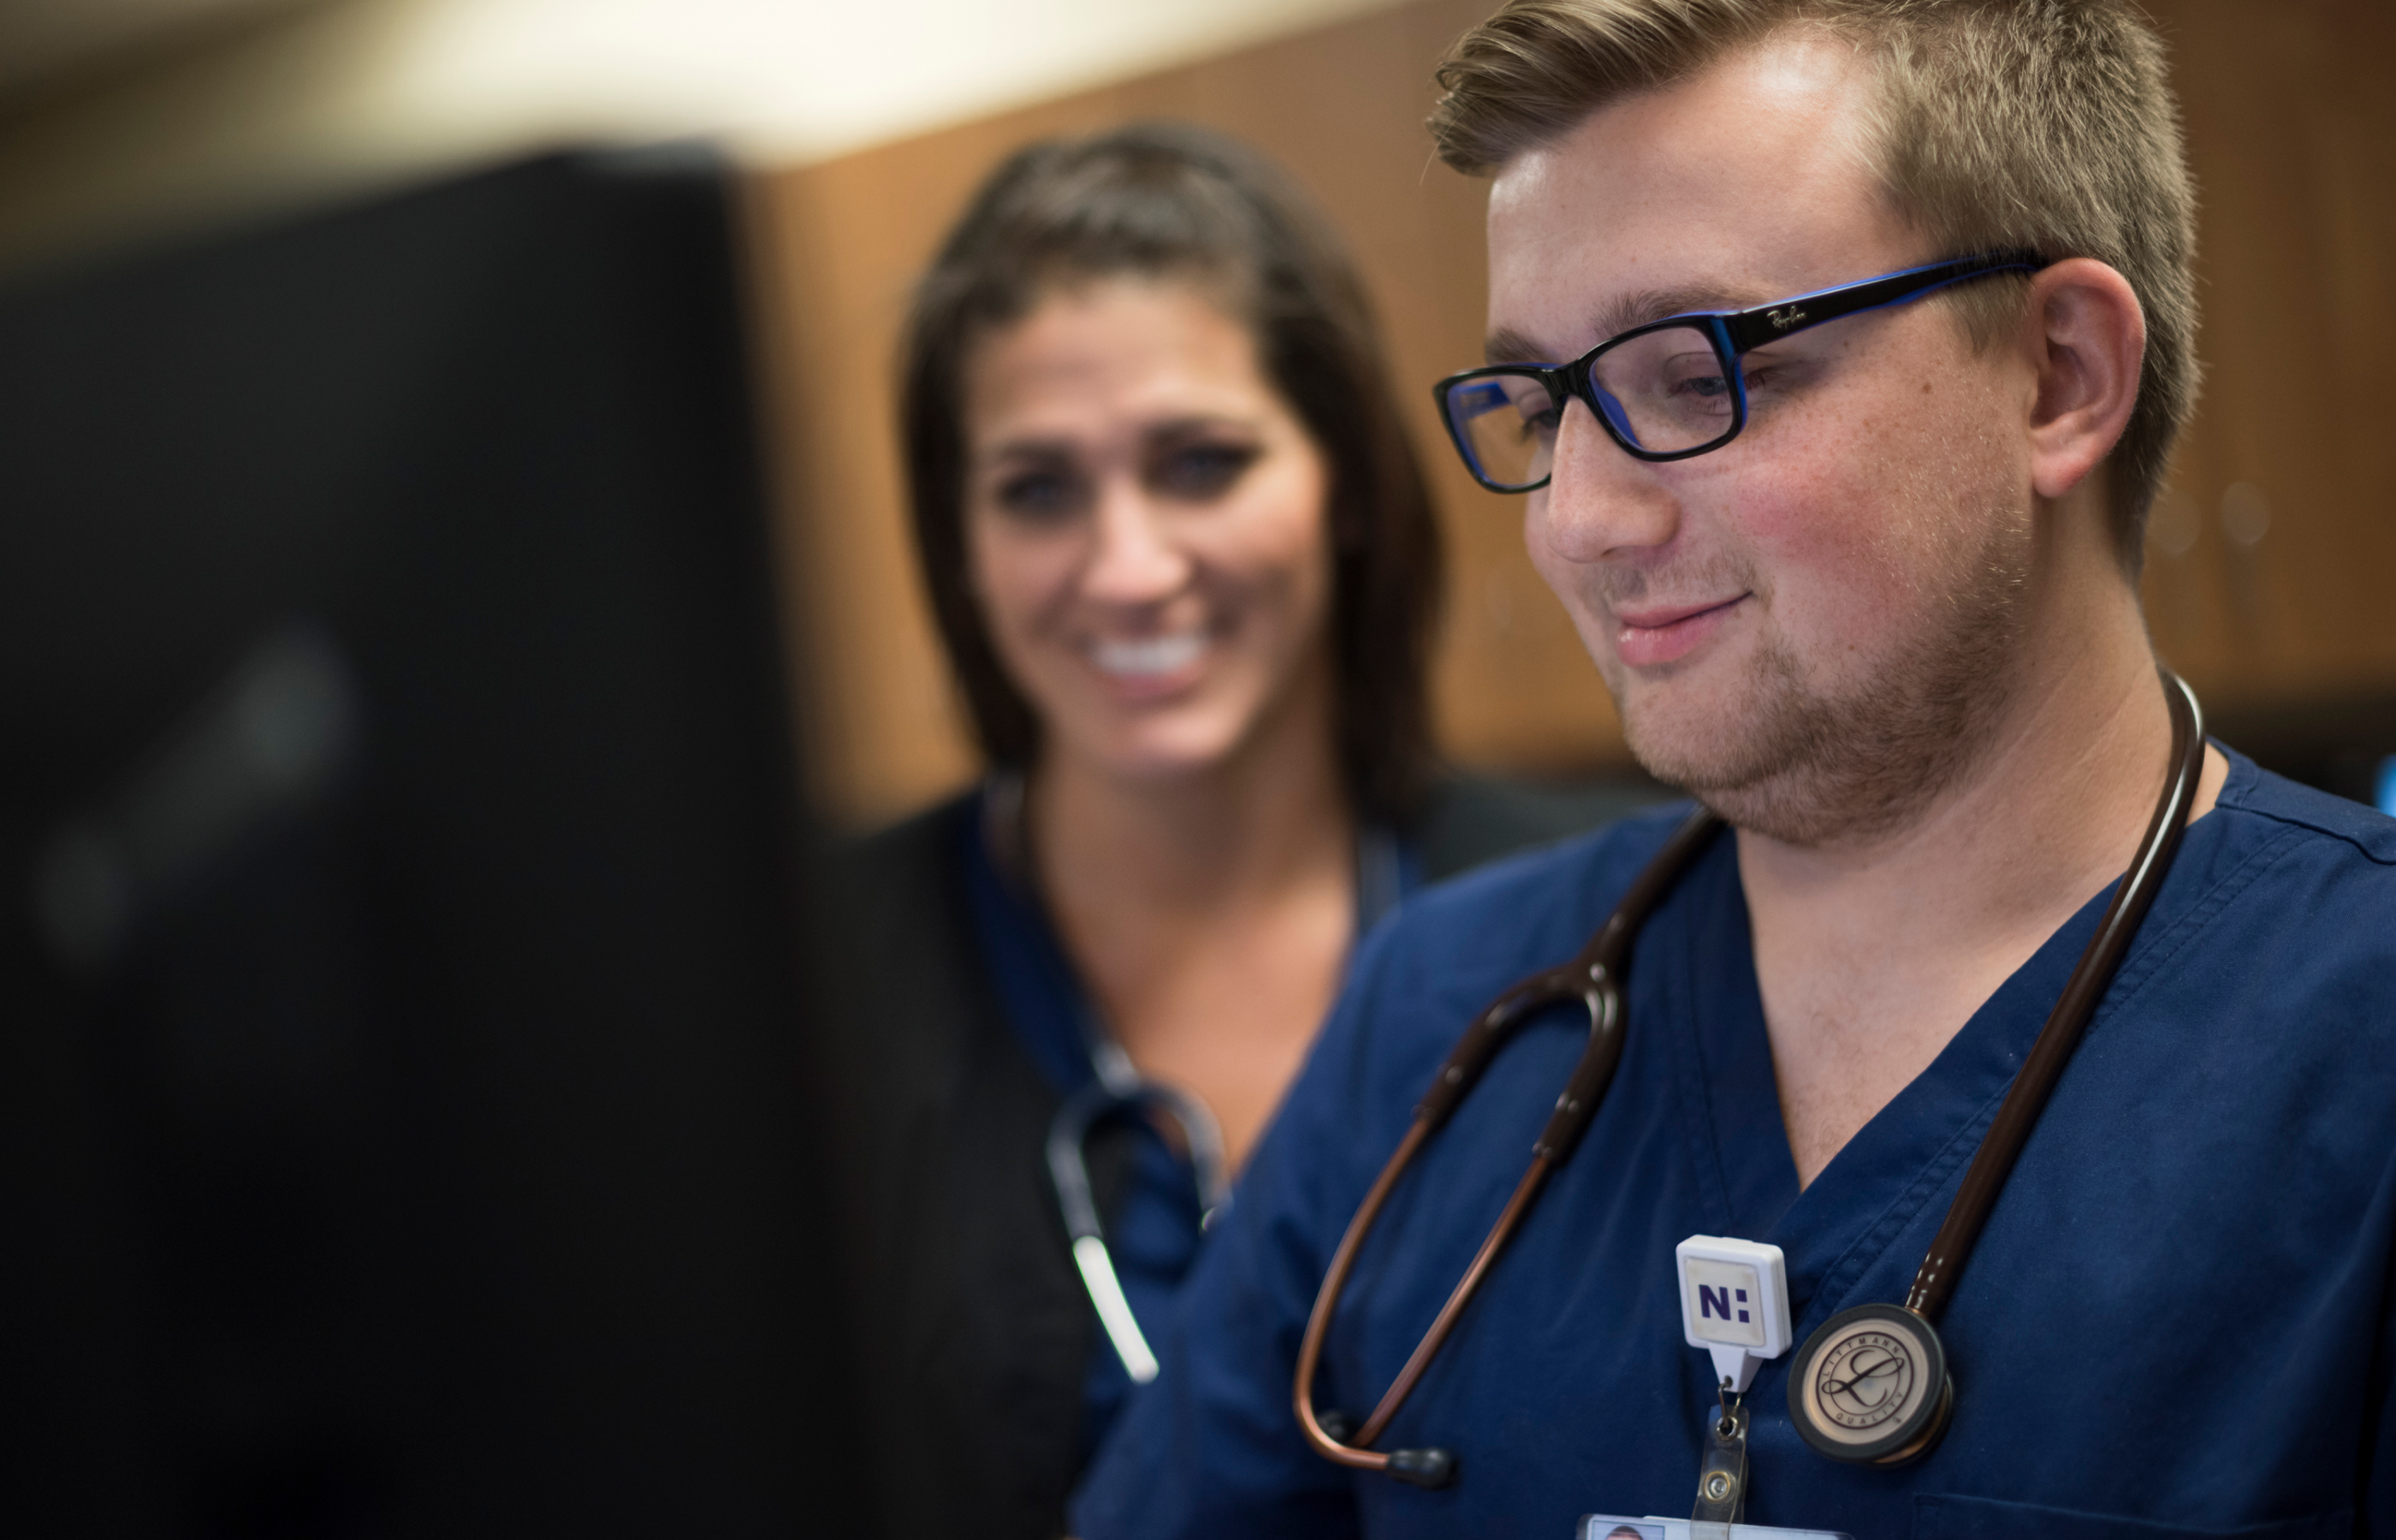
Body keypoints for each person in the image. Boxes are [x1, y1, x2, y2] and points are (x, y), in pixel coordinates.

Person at [1070, 4, 2396, 1537]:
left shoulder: (2352, 1046)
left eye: (1694, 374)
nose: (1578, 523)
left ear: (2056, 374)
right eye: (1542, 403)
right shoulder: (1440, 1022)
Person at [821, 123, 1647, 1540]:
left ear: (1343, 489)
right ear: (956, 547)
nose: (1129, 567)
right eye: (1036, 490)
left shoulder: (1622, 915)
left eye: (1200, 463)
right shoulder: (806, 982)